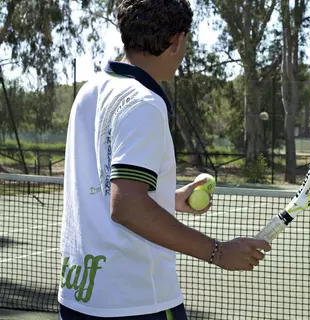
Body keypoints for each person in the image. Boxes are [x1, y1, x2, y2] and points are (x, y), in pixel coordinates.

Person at [58, 1, 271, 319]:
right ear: (177, 40)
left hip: (78, 297)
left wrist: (169, 199)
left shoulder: (90, 91)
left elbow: (104, 189)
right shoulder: (144, 102)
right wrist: (219, 252)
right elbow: (127, 207)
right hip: (137, 302)